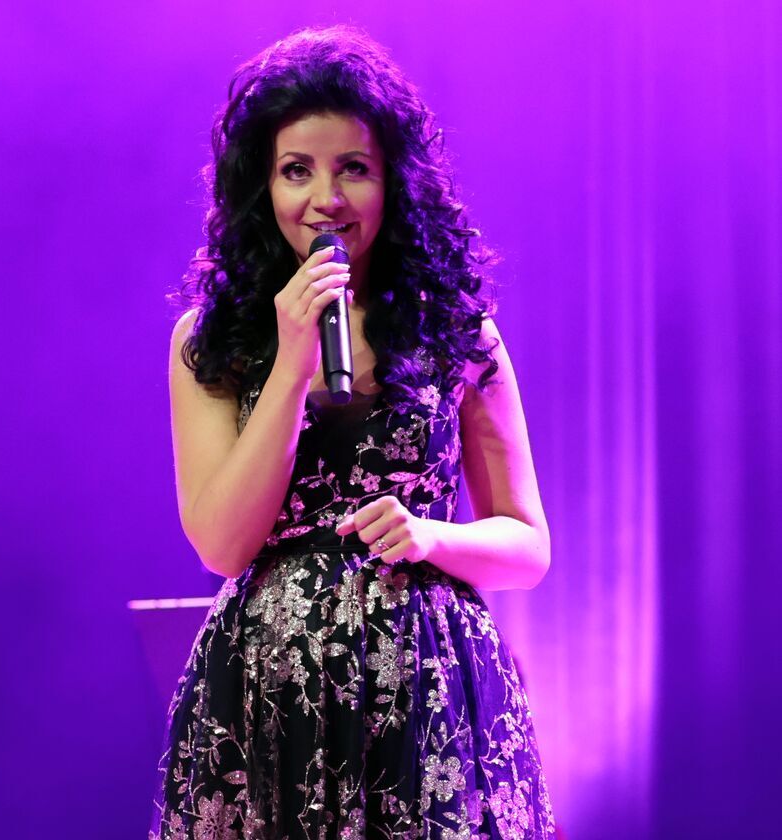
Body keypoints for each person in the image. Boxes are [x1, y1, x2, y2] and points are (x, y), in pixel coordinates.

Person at [153, 26, 556, 839]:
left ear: (393, 180)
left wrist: (430, 537)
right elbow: (222, 545)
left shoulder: (458, 334)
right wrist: (291, 364)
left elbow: (527, 546)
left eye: (354, 169)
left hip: (430, 688)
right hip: (269, 696)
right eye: (296, 170)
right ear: (262, 185)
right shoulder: (213, 340)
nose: (326, 199)